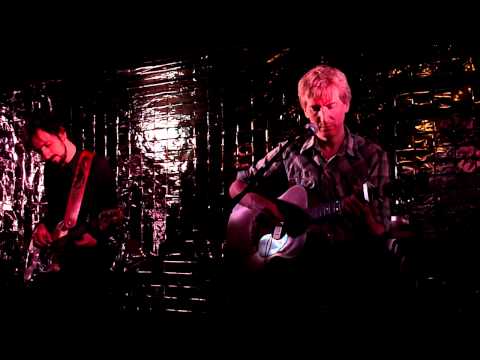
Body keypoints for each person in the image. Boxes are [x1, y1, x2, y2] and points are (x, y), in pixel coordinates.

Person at [226, 64, 393, 321]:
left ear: (346, 103)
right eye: (315, 108)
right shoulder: (290, 150)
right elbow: (237, 186)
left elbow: (381, 230)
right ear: (305, 110)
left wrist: (366, 218)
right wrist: (269, 208)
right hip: (298, 272)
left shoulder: (372, 155)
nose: (323, 117)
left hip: (350, 271)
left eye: (330, 106)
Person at [22, 111, 120, 317]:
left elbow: (114, 213)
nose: (45, 155)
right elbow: (55, 212)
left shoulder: (97, 165)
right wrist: (42, 225)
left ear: (62, 133)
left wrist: (96, 235)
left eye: (47, 145)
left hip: (92, 272)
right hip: (63, 268)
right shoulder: (51, 170)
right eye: (40, 151)